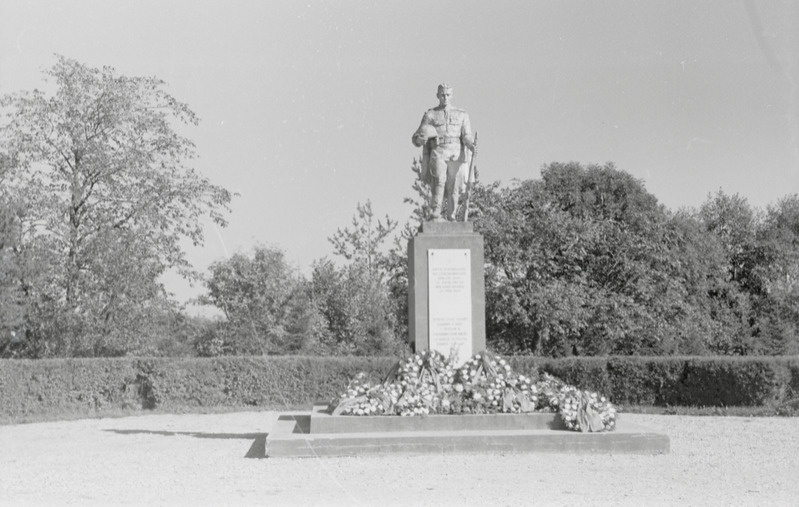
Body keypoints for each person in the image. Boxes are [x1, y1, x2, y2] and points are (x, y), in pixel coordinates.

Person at [411, 84, 477, 221]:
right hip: (439, 151)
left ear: (452, 95)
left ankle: (451, 216)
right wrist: (420, 140)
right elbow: (416, 137)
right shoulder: (430, 114)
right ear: (437, 96)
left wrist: (471, 146)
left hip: (456, 152)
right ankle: (436, 212)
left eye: (447, 94)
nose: (445, 97)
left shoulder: (462, 114)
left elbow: (466, 136)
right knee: (438, 181)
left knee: (454, 185)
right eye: (442, 94)